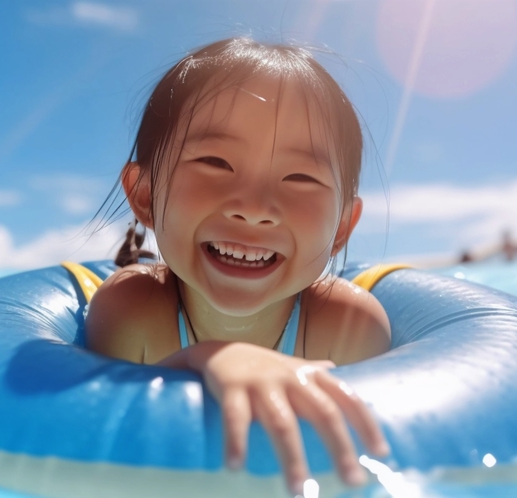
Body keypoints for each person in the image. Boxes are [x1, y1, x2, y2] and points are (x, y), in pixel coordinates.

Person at [85, 37, 391, 495]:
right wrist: (204, 358)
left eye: (300, 177)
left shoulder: (350, 327)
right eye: (214, 161)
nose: (254, 208)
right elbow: (106, 448)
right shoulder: (131, 313)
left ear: (342, 227)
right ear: (145, 194)